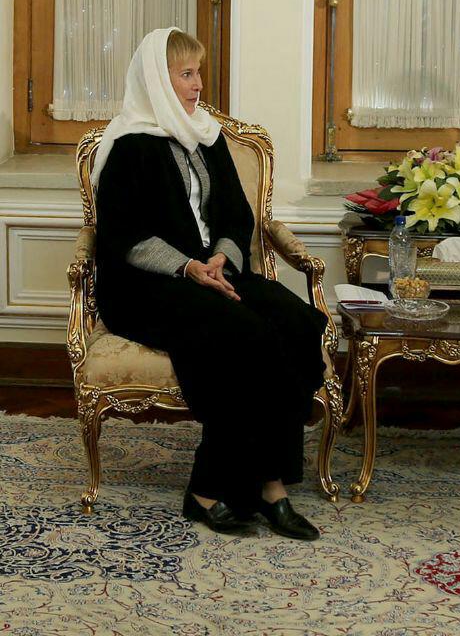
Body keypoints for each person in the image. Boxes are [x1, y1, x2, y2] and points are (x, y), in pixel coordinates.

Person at [93, 27, 327, 539]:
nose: (198, 84)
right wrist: (188, 267)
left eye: (198, 72)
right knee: (247, 338)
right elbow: (123, 236)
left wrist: (221, 257)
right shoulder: (129, 146)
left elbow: (237, 214)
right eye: (186, 74)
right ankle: (226, 490)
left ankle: (267, 483)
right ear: (158, 80)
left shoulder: (207, 135)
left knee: (298, 323)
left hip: (216, 269)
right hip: (149, 284)